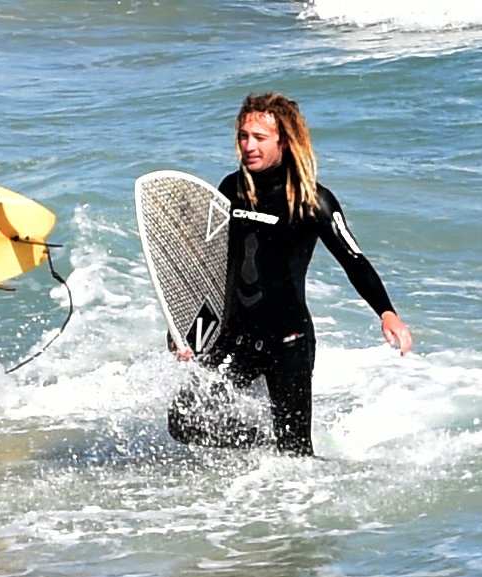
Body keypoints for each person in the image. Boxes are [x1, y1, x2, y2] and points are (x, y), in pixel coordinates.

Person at [168, 93, 413, 456]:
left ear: (284, 141)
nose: (248, 146)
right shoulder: (230, 189)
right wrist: (185, 325)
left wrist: (386, 311)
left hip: (289, 341)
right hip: (235, 337)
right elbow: (209, 265)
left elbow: (354, 259)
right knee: (184, 422)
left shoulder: (312, 199)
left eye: (259, 138)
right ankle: (262, 444)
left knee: (296, 454)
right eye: (243, 136)